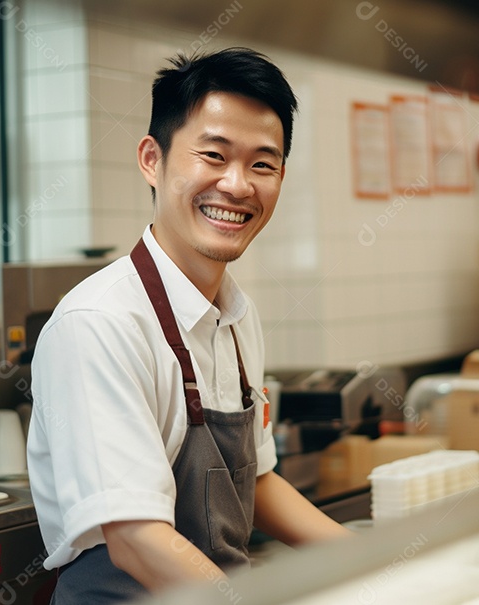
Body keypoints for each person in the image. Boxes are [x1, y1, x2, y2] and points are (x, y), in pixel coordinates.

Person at [27, 48, 351, 602]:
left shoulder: (235, 315)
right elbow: (134, 539)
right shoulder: (100, 323)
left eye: (262, 164)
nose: (237, 185)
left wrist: (383, 566)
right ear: (152, 159)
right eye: (213, 155)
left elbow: (262, 482)